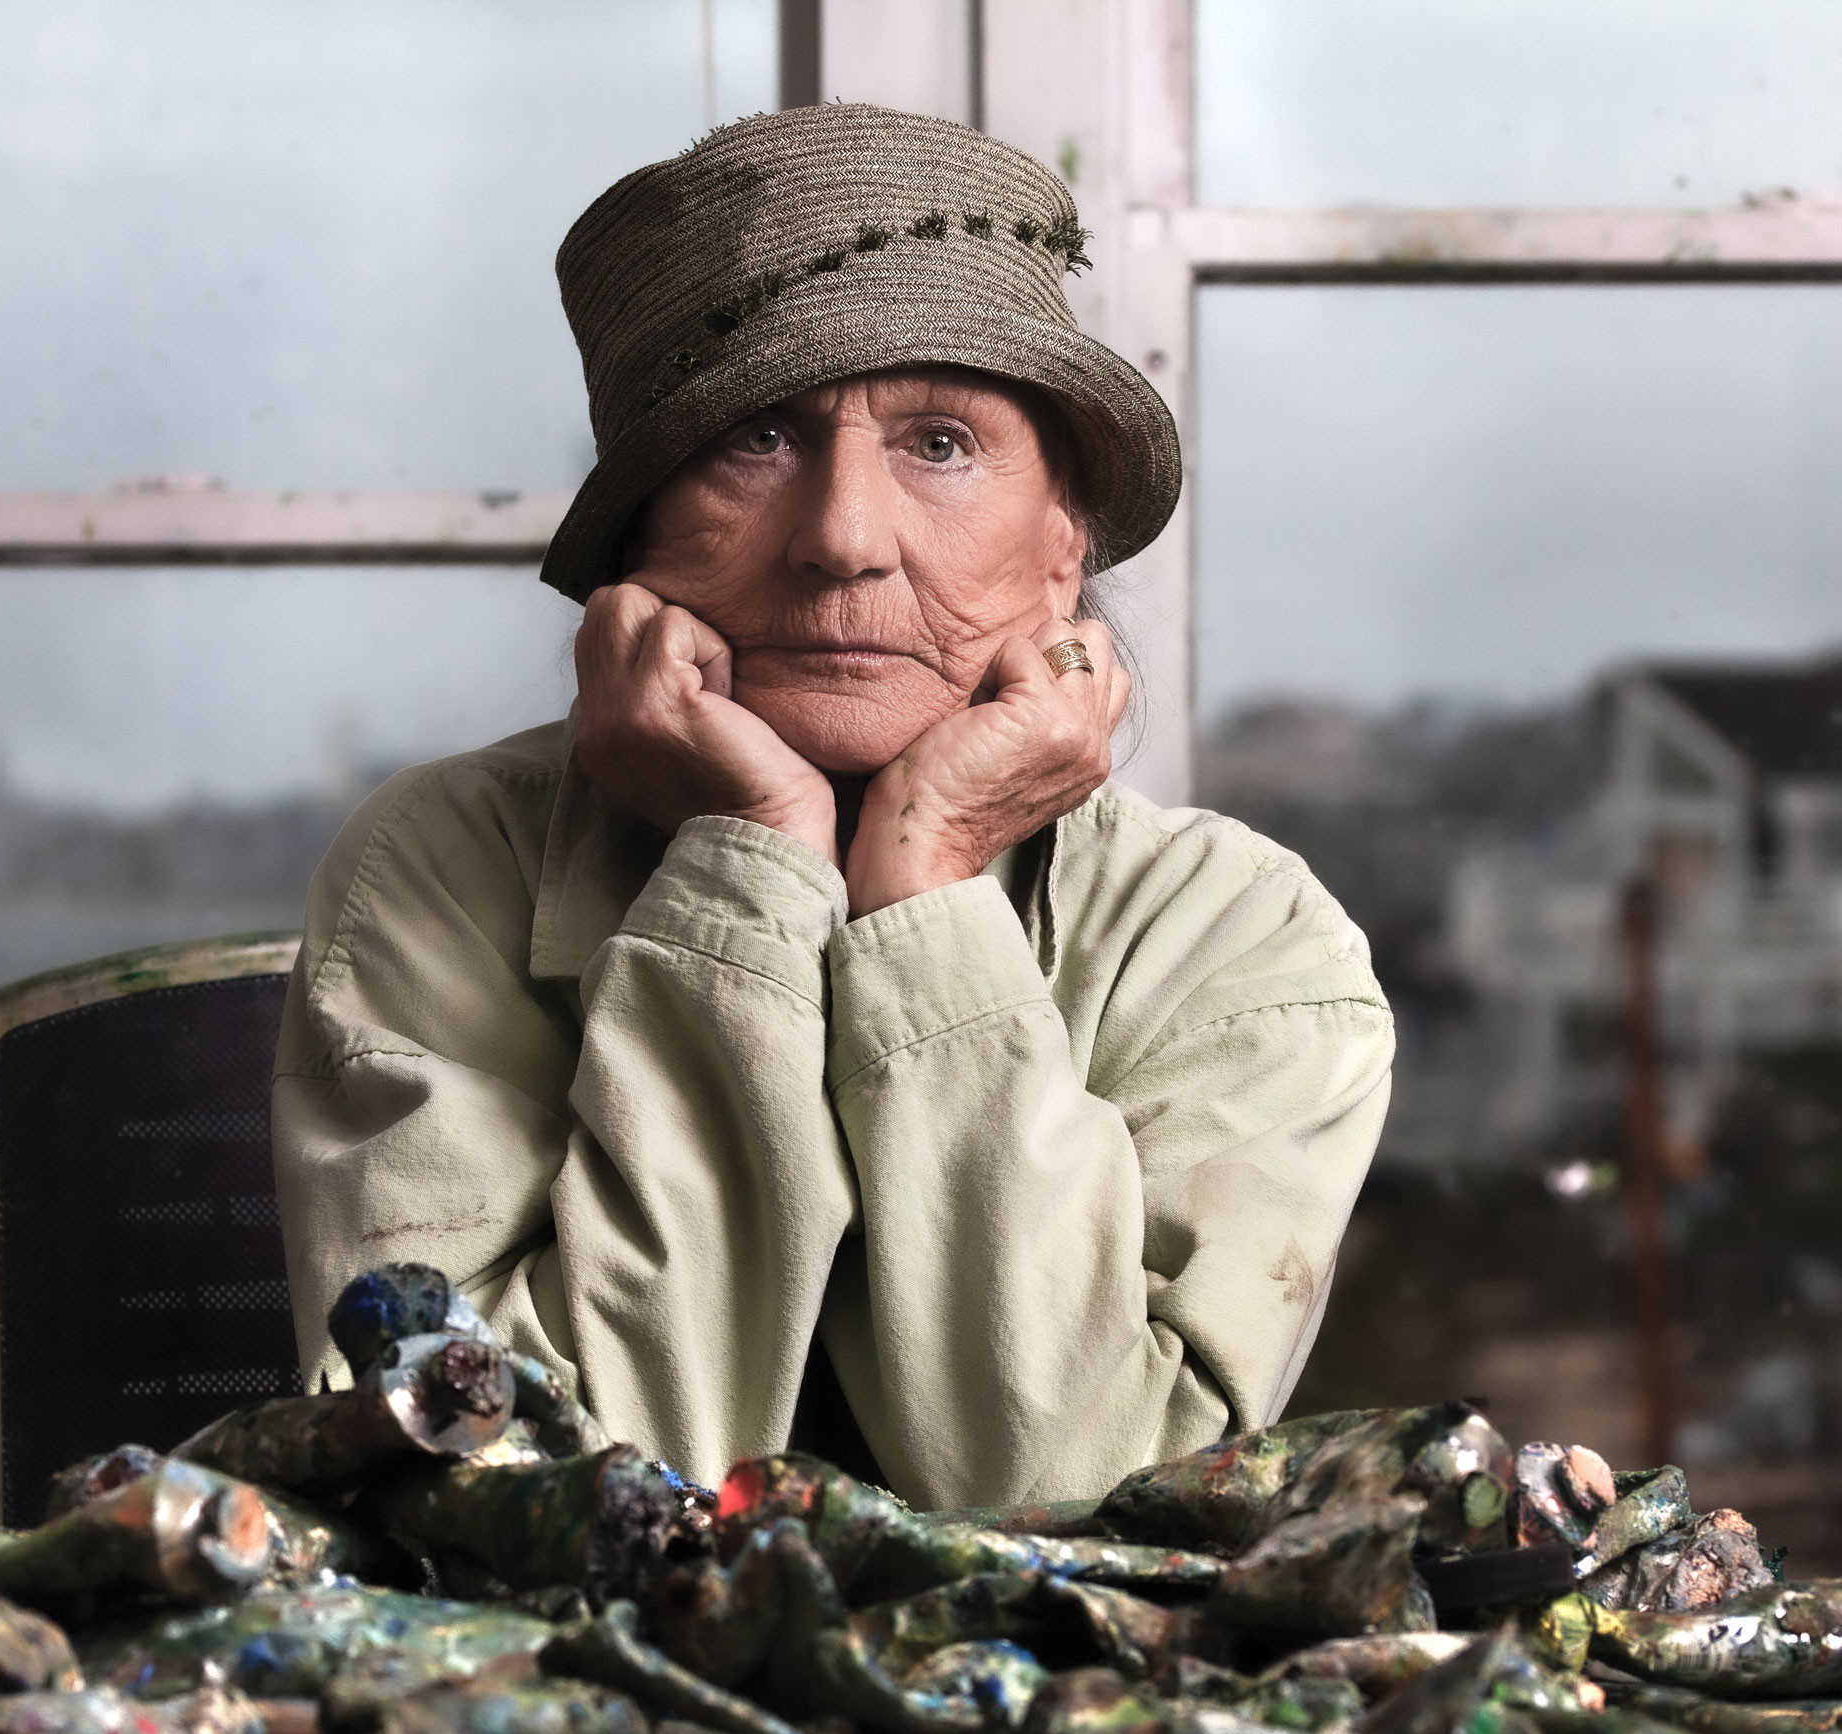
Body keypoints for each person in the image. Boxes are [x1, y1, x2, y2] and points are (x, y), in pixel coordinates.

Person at [271, 103, 1393, 1508]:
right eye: (755, 439)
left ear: (1062, 553)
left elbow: (1077, 1503)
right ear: (638, 547)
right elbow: (516, 1503)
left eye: (939, 443)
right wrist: (752, 865)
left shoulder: (1238, 940)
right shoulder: (444, 869)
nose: (845, 540)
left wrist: (922, 882)